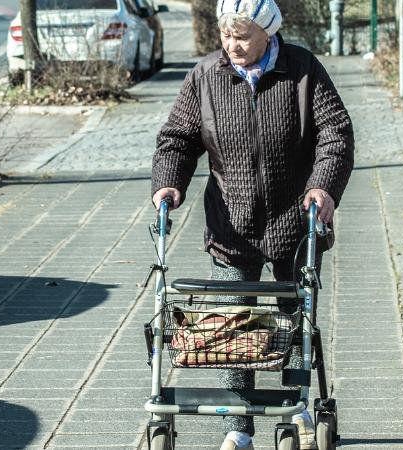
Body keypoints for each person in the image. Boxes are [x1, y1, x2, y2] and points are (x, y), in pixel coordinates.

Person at [151, 0, 354, 447]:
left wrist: (323, 189)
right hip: (231, 224)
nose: (232, 44)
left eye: (242, 34)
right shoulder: (205, 76)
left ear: (268, 32)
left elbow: (335, 134)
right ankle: (237, 430)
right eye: (226, 34)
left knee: (292, 322)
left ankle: (295, 409)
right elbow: (177, 140)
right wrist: (169, 184)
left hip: (295, 223)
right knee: (231, 326)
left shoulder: (302, 70)